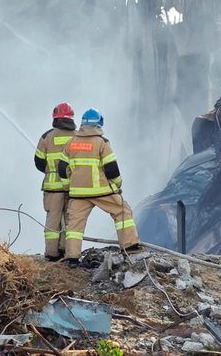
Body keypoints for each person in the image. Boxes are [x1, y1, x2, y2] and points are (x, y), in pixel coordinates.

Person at [58, 108, 143, 267]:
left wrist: (69, 186)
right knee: (122, 211)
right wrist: (118, 184)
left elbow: (62, 168)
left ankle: (72, 258)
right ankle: (130, 245)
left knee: (74, 226)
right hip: (102, 191)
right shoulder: (102, 143)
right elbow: (111, 169)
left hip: (78, 194)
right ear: (99, 124)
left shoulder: (71, 143)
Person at [34, 102, 77, 262]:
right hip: (73, 188)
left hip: (52, 189)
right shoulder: (78, 137)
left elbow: (38, 162)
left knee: (53, 221)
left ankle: (52, 254)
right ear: (71, 118)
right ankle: (67, 252)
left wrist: (50, 172)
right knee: (71, 220)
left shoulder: (46, 137)